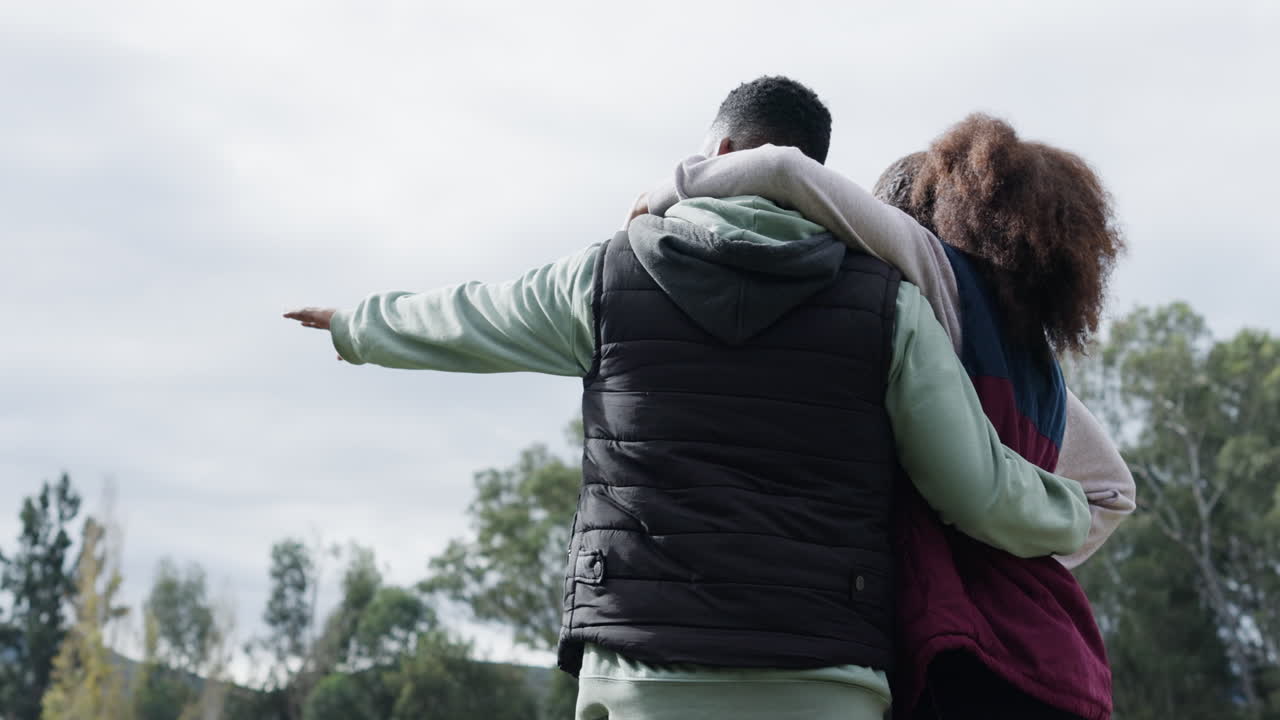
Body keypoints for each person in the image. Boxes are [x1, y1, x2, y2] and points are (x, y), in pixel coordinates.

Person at [284, 77, 1093, 720]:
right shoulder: (891, 307)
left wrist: (359, 324)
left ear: (719, 151)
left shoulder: (604, 277)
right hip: (824, 681)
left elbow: (470, 316)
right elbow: (976, 490)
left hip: (639, 674)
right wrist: (1070, 510)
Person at [638, 114, 1134, 718]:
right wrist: (1030, 534)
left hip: (962, 654)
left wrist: (658, 198)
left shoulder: (933, 280)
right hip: (1059, 658)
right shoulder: (1042, 374)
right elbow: (1113, 492)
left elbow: (783, 169)